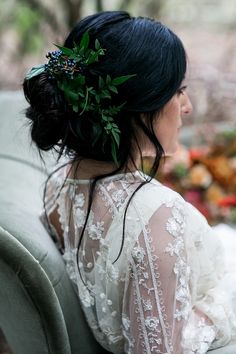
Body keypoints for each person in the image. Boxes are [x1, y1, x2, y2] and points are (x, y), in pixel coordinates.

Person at [23, 11, 236, 354]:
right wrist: (223, 310)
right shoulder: (157, 217)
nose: (187, 107)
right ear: (140, 106)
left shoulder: (61, 183)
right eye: (178, 91)